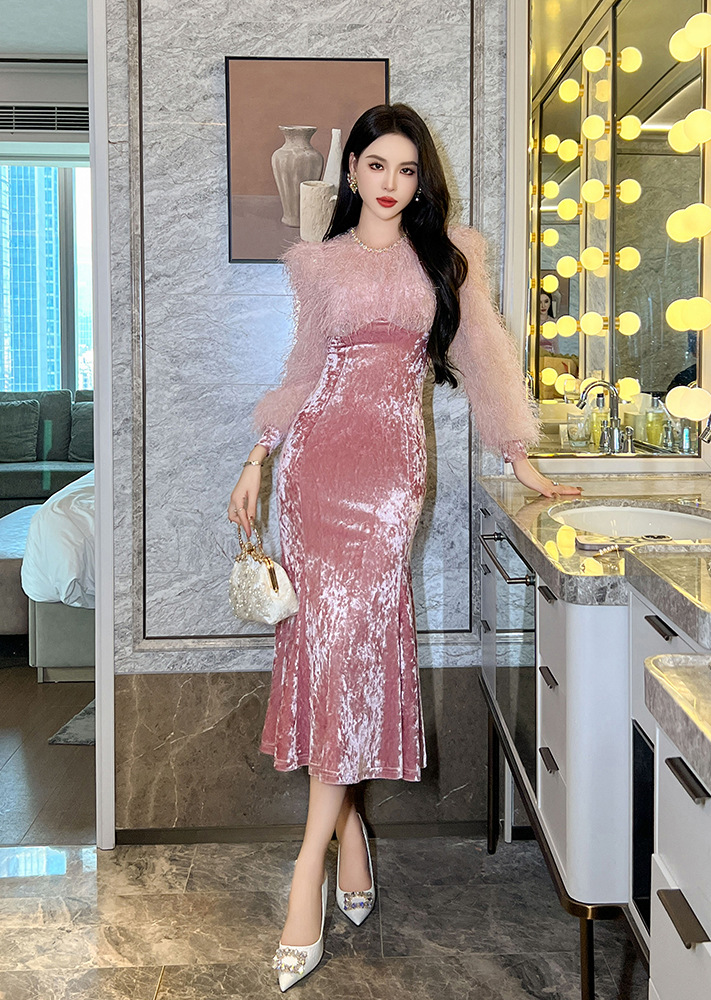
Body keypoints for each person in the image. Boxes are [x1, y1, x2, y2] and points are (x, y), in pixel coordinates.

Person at [227, 103, 581, 991]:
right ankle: (345, 833)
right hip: (316, 469)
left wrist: (520, 455)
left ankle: (307, 868)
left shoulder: (449, 255)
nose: (391, 183)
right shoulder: (319, 264)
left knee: (354, 646)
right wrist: (258, 456)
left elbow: (486, 353)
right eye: (377, 165)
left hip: (389, 476)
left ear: (421, 181)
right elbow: (304, 368)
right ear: (351, 170)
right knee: (326, 650)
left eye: (407, 169)